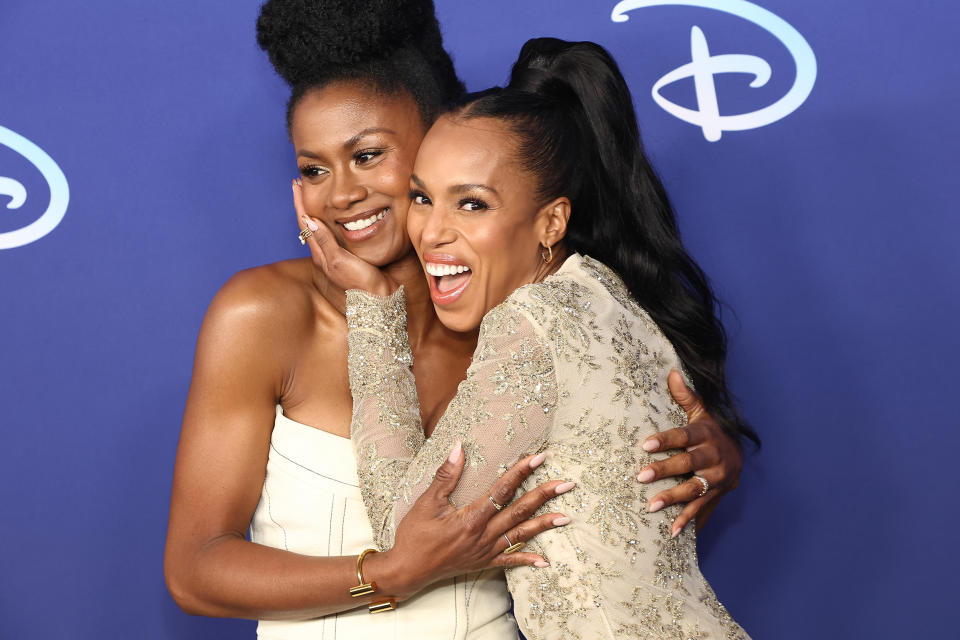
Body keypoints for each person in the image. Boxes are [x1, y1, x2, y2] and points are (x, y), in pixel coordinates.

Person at [164, 1, 746, 637]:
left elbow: (616, 544)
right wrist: (387, 574)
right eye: (312, 169)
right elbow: (196, 570)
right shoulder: (261, 314)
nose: (340, 196)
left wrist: (709, 464)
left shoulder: (530, 315)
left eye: (368, 156)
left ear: (439, 142)